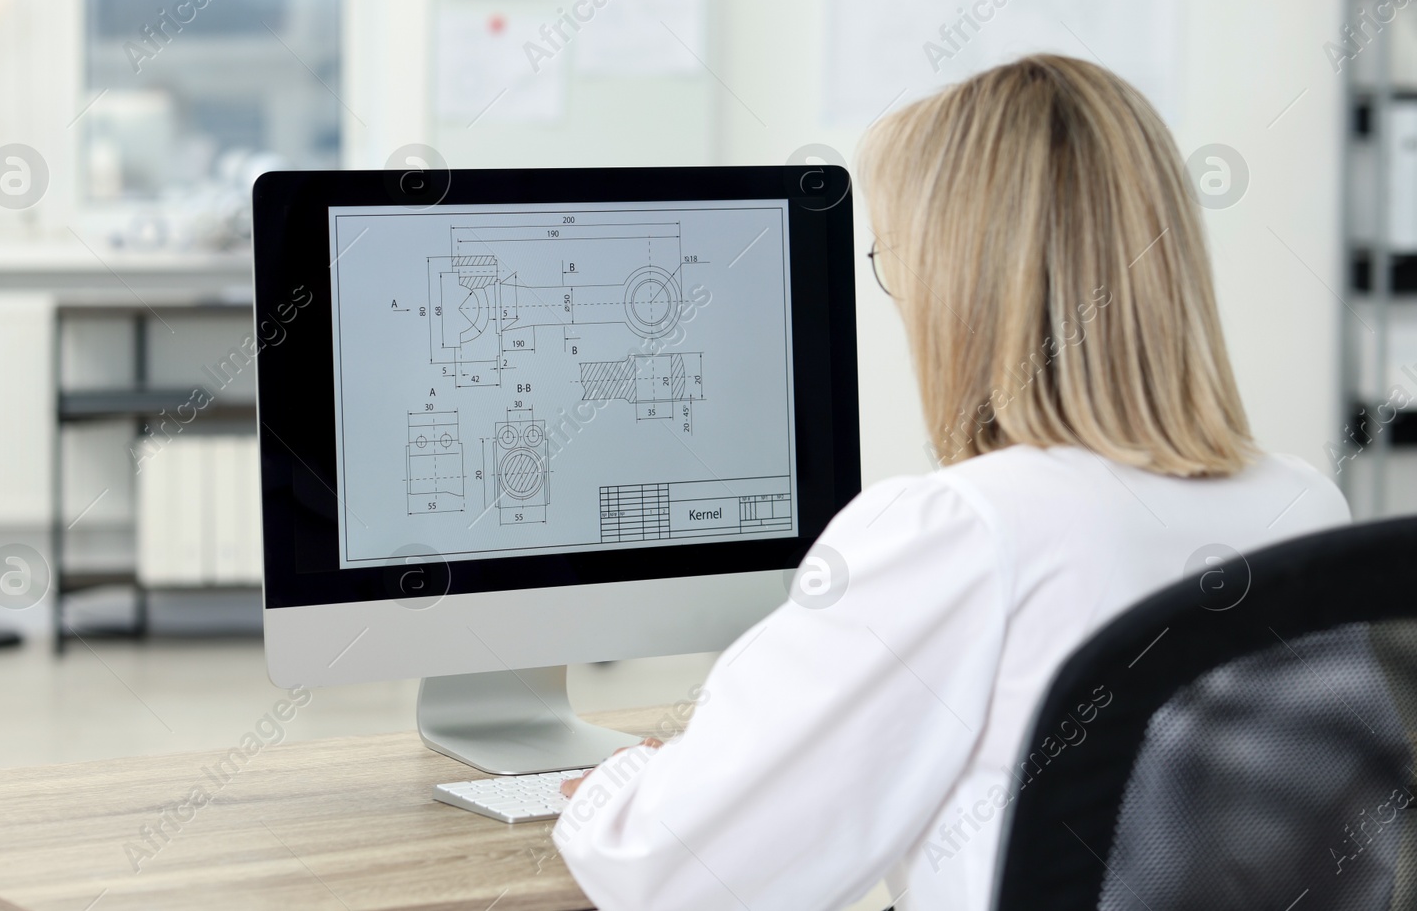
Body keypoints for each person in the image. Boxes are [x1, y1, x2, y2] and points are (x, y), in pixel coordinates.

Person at [550, 55, 1350, 911]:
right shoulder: (1305, 505)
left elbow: (675, 875)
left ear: (958, 290)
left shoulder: (962, 530)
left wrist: (619, 784)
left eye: (896, 261)